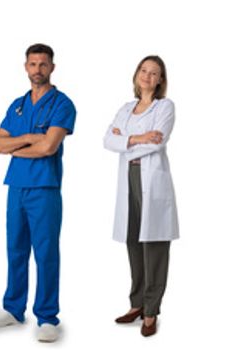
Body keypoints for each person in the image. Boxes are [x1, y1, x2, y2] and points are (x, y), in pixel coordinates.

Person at [0, 43, 73, 343]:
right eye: (33, 64)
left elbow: (49, 147)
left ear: (52, 67)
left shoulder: (62, 104)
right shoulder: (18, 105)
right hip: (16, 187)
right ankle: (13, 308)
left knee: (46, 253)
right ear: (26, 67)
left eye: (43, 64)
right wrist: (27, 139)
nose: (38, 69)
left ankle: (47, 316)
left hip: (44, 188)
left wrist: (18, 147)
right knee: (16, 249)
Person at [104, 55, 173, 338]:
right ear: (136, 75)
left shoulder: (165, 106)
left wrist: (126, 141)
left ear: (160, 81)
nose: (147, 76)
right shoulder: (126, 108)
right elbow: (108, 140)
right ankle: (136, 303)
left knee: (153, 245)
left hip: (152, 181)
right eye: (143, 70)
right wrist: (138, 138)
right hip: (129, 178)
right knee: (133, 239)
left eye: (154, 73)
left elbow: (158, 143)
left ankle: (151, 310)